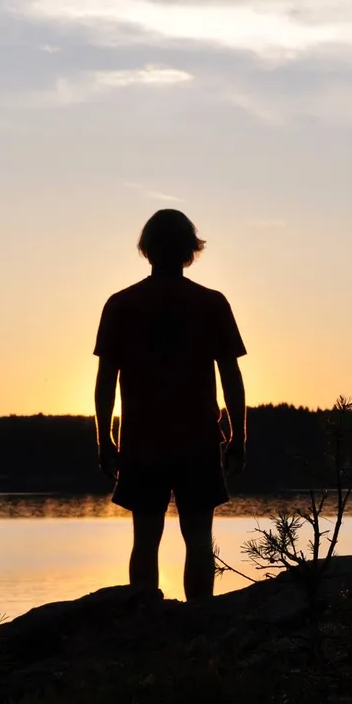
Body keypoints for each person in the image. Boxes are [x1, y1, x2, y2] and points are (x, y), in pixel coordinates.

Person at [93, 209, 247, 600]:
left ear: (146, 250)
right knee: (198, 540)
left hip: (143, 442)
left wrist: (105, 441)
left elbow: (104, 383)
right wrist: (238, 437)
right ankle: (200, 625)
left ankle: (144, 627)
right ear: (189, 251)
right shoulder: (210, 303)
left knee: (145, 540)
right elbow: (231, 377)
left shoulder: (121, 305)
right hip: (197, 439)